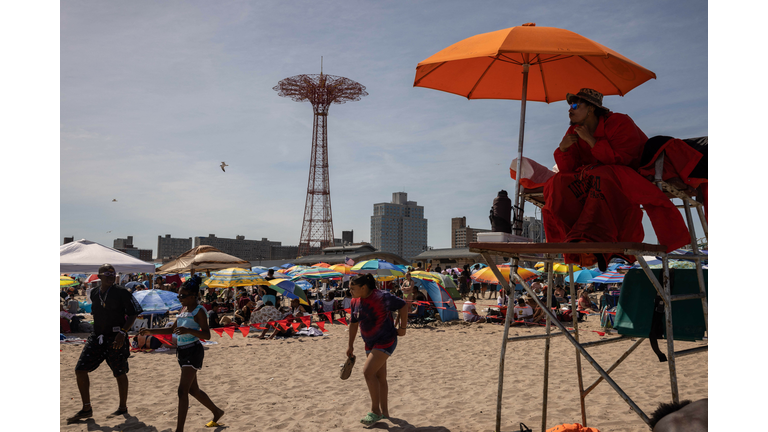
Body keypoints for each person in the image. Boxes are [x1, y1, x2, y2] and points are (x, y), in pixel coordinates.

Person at [541, 88, 691, 271]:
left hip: (624, 174)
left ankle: (597, 242)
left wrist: (592, 142)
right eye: (569, 106)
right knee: (556, 183)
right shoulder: (573, 130)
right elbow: (567, 169)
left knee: (601, 176)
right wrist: (562, 150)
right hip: (592, 177)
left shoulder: (620, 122)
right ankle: (571, 241)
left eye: (574, 105)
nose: (569, 110)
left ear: (591, 109)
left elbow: (625, 158)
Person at [139, 275, 225, 431]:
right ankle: (217, 411)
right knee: (193, 390)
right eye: (179, 295)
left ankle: (179, 430)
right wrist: (149, 331)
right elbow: (171, 330)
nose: (179, 298)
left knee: (182, 390)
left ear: (193, 296)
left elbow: (207, 335)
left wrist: (188, 330)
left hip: (193, 351)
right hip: (182, 351)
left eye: (183, 296)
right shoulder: (184, 309)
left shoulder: (199, 311)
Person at [68, 264, 143, 423]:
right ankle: (86, 408)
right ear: (99, 276)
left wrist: (123, 332)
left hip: (117, 337)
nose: (111, 276)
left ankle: (123, 407)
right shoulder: (94, 292)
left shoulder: (122, 292)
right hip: (97, 337)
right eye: (107, 273)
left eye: (113, 273)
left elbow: (133, 312)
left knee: (120, 372)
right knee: (80, 370)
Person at [346, 273, 412, 427]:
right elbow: (354, 323)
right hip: (369, 342)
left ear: (363, 287)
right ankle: (385, 412)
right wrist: (350, 345)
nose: (350, 291)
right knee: (380, 377)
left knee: (368, 372)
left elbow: (403, 305)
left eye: (352, 288)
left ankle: (375, 411)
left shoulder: (382, 296)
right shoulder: (355, 301)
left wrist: (403, 328)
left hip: (386, 340)